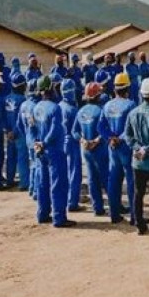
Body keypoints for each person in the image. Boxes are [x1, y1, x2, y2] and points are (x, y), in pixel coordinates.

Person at [32, 75, 76, 228]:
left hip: (40, 151)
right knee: (58, 184)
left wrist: (36, 143)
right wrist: (44, 143)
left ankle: (42, 214)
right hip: (54, 150)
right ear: (50, 88)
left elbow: (32, 128)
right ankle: (59, 218)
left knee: (42, 183)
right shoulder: (55, 108)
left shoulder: (36, 107)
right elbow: (55, 129)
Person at [124, 78, 149, 236]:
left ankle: (140, 225)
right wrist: (147, 149)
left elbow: (128, 136)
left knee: (138, 193)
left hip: (138, 162)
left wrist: (138, 148)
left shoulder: (133, 113)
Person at [99, 72, 138, 225]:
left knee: (114, 180)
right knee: (130, 180)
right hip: (125, 147)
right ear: (127, 88)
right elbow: (131, 128)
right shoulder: (130, 105)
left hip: (113, 148)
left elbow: (101, 126)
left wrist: (110, 138)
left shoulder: (107, 105)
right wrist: (119, 138)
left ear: (115, 89)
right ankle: (135, 216)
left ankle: (114, 215)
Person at [72, 83, 109, 217]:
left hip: (86, 151)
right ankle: (115, 208)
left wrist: (83, 140)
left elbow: (74, 131)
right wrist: (96, 141)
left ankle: (97, 208)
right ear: (98, 96)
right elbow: (105, 131)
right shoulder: (101, 111)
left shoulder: (80, 111)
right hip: (99, 150)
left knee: (92, 179)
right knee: (106, 179)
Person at [59, 79, 83, 212]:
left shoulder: (59, 106)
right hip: (72, 142)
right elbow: (77, 130)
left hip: (60, 142)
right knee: (74, 172)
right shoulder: (73, 110)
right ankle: (72, 202)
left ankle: (65, 199)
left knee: (64, 172)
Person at [17, 79, 41, 198]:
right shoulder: (36, 106)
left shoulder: (24, 105)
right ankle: (36, 191)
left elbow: (19, 125)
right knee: (37, 165)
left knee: (32, 164)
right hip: (36, 140)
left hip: (28, 138)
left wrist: (26, 134)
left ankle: (31, 188)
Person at [5, 74, 29, 190]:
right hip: (19, 133)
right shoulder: (23, 100)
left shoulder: (7, 98)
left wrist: (8, 131)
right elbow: (21, 120)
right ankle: (24, 183)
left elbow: (4, 116)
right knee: (22, 157)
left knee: (10, 156)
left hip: (9, 133)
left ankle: (9, 179)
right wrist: (14, 131)